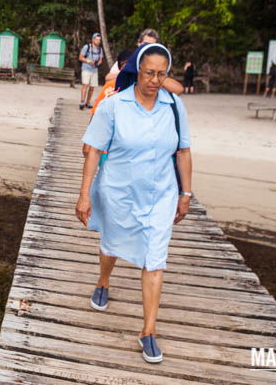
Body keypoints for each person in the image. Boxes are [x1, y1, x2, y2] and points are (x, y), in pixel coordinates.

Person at [75, 43, 193, 365]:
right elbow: (94, 150)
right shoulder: (114, 105)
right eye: (149, 73)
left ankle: (148, 331)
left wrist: (185, 194)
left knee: (154, 260)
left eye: (161, 74)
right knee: (111, 244)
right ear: (136, 71)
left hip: (161, 196)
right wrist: (85, 194)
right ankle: (103, 280)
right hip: (119, 192)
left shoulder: (173, 106)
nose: (155, 80)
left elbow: (183, 151)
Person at [105, 29, 184, 96]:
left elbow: (178, 90)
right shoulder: (128, 59)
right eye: (145, 44)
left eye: (152, 45)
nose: (147, 47)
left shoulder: (159, 64)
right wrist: (129, 72)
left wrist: (153, 74)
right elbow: (108, 77)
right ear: (139, 43)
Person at [79, 32, 104, 110]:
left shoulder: (100, 49)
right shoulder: (87, 47)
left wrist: (98, 63)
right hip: (86, 68)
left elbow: (101, 59)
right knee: (85, 85)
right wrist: (89, 61)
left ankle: (88, 102)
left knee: (92, 87)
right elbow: (80, 57)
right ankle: (82, 101)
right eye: (96, 39)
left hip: (94, 70)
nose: (98, 41)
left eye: (99, 40)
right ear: (93, 39)